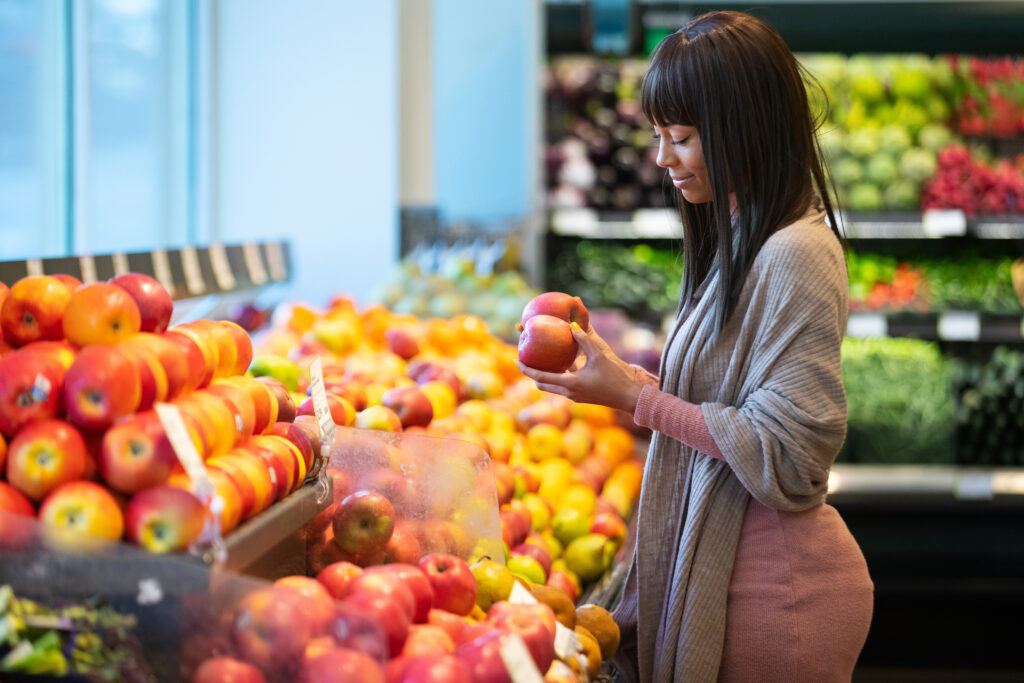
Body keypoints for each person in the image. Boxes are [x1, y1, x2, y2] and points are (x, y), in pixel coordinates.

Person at [517, 11, 873, 683]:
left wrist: (636, 398)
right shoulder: (742, 229)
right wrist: (622, 373)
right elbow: (725, 398)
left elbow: (791, 456)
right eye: (657, 136)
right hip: (736, 574)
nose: (661, 158)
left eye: (679, 137)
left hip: (779, 601)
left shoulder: (797, 251)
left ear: (745, 129)